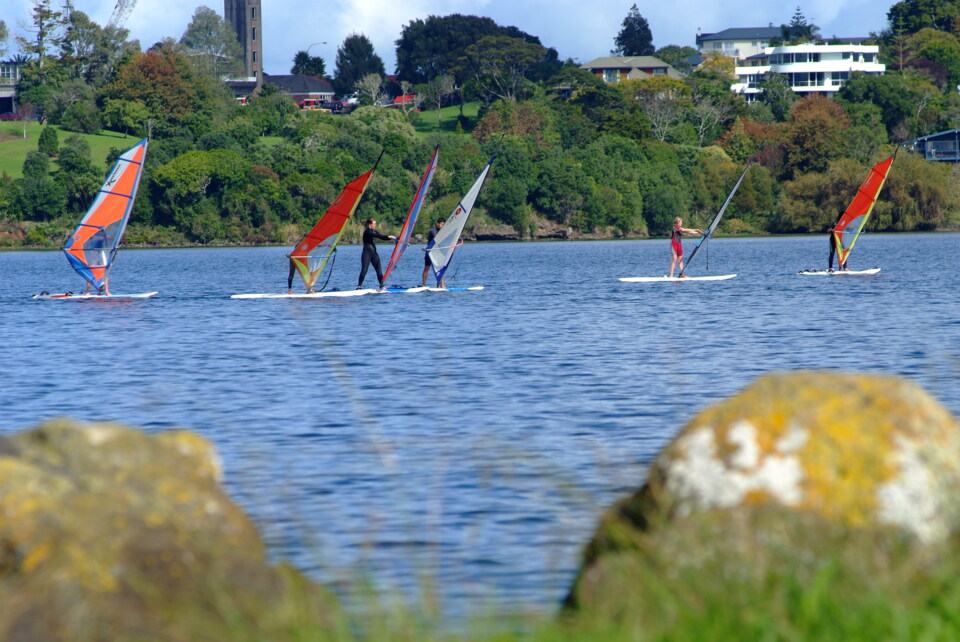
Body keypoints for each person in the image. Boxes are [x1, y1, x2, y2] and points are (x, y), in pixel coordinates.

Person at [357, 218, 397, 289]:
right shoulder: (367, 231)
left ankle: (382, 286)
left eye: (375, 224)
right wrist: (388, 236)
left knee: (379, 270)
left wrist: (393, 238)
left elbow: (382, 237)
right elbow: (377, 236)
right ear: (370, 224)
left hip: (374, 253)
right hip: (367, 253)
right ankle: (359, 286)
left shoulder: (374, 231)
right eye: (374, 224)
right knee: (364, 270)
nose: (375, 225)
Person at [421, 217, 446, 287]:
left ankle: (442, 285)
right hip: (429, 252)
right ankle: (423, 284)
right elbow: (436, 237)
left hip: (437, 252)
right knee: (427, 268)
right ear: (437, 224)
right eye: (441, 224)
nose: (442, 226)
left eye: (444, 224)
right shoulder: (433, 230)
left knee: (441, 268)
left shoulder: (442, 231)